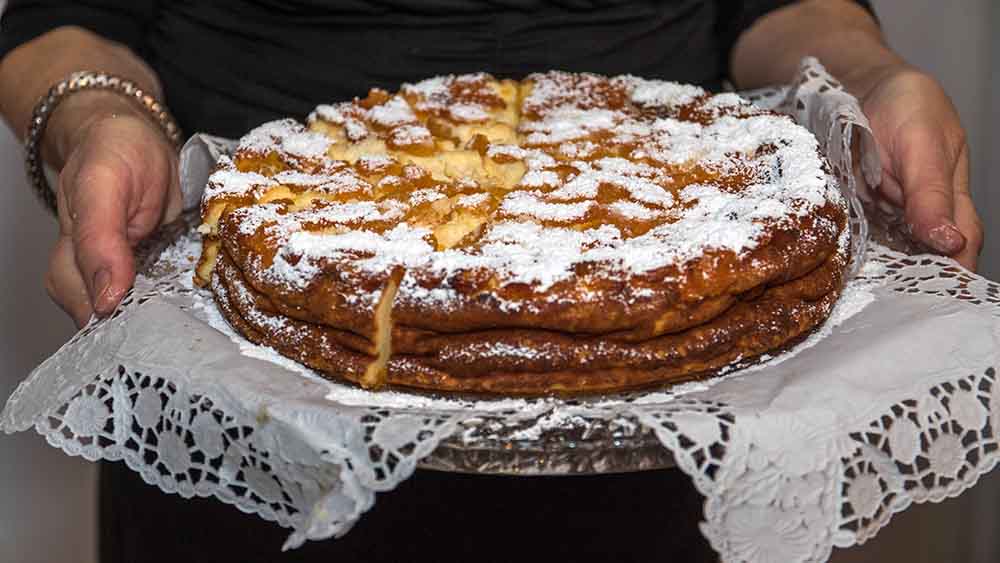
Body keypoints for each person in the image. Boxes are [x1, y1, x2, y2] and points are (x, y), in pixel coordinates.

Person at [0, 1, 983, 562]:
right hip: (246, 421)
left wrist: (862, 76)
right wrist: (94, 119)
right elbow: (67, 14)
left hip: (687, 435)